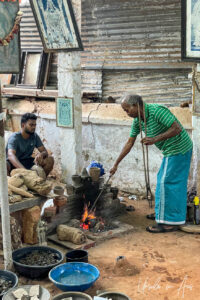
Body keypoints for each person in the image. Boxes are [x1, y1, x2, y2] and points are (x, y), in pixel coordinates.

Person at [110, 95, 193, 233]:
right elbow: (129, 142)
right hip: (170, 150)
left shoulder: (156, 111)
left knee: (166, 183)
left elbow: (177, 128)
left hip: (179, 148)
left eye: (127, 109)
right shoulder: (138, 121)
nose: (127, 113)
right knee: (166, 181)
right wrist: (116, 164)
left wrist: (155, 139)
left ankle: (169, 222)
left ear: (136, 105)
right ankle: (163, 214)